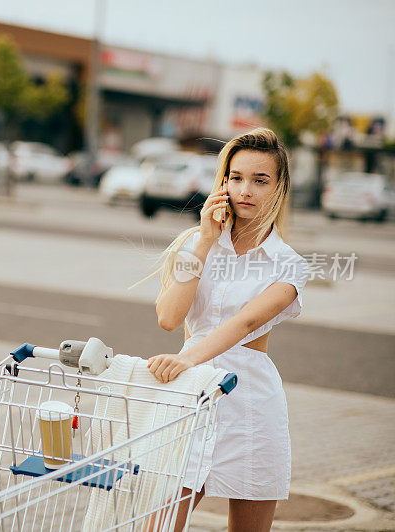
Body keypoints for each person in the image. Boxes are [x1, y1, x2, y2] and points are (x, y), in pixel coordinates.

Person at [143, 127, 308, 531]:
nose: (245, 189)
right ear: (222, 182)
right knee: (157, 523)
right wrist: (202, 242)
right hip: (190, 393)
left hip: (249, 399)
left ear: (279, 188)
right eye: (235, 177)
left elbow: (246, 323)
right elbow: (168, 317)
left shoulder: (289, 264)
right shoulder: (196, 244)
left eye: (260, 180)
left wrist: (184, 360)